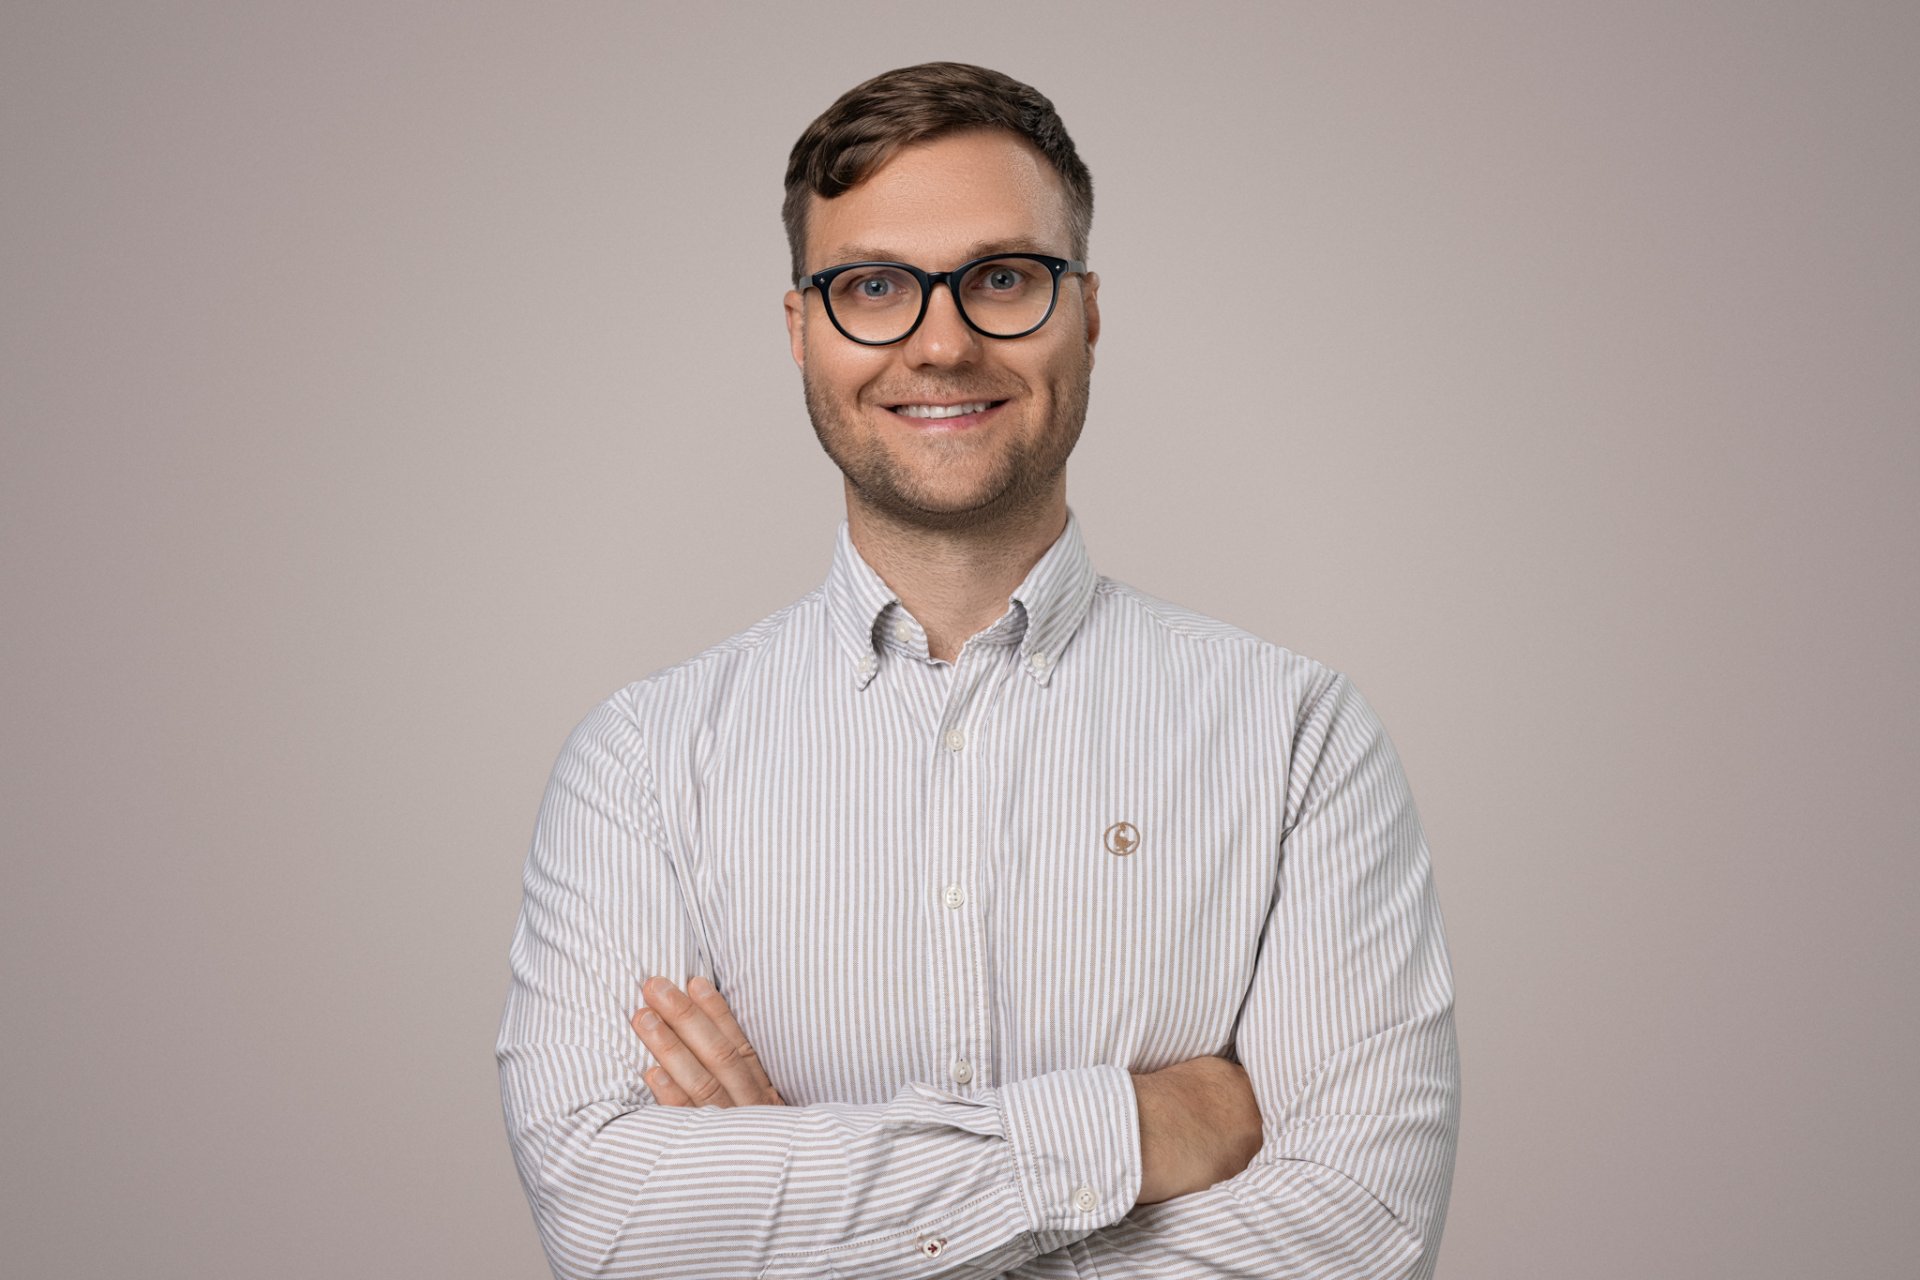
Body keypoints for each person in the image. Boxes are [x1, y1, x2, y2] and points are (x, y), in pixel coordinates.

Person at [496, 61, 1459, 1280]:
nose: (943, 344)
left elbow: (1360, 1232)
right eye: (873, 287)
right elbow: (608, 1220)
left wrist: (800, 1213)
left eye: (1003, 278)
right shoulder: (642, 761)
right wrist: (1131, 1128)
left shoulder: (1296, 735)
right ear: (801, 330)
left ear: (1086, 313)